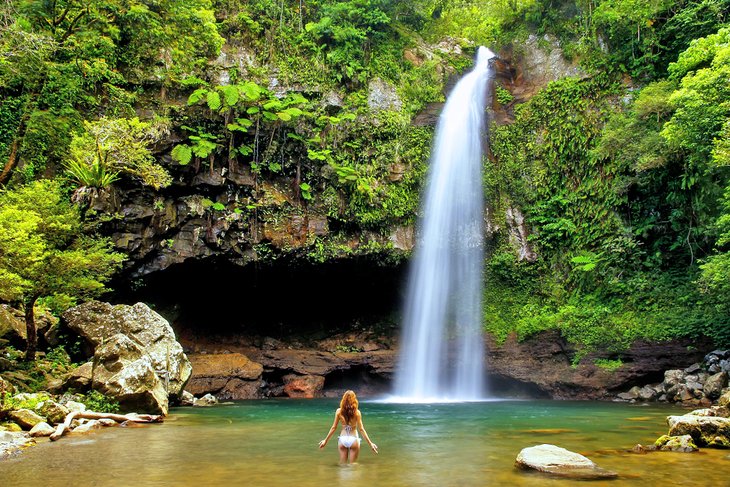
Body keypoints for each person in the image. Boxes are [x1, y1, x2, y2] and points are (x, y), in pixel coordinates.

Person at [318, 390, 378, 464]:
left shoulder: (338, 411)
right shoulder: (357, 413)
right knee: (353, 466)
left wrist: (325, 441)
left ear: (343, 399)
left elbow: (334, 428)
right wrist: (370, 444)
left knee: (342, 465)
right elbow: (361, 429)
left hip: (342, 439)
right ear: (354, 400)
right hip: (354, 439)